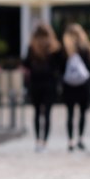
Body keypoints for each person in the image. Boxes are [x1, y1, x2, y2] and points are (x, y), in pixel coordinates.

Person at [22, 23, 64, 152]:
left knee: (36, 113)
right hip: (50, 84)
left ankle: (37, 141)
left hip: (35, 84)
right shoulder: (54, 48)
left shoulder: (32, 47)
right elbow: (61, 66)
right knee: (47, 114)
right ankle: (44, 141)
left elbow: (25, 64)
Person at [61, 23, 90, 152]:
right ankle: (80, 139)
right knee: (82, 113)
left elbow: (60, 69)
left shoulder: (65, 49)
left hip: (68, 85)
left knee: (70, 114)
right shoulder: (85, 48)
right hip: (83, 85)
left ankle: (70, 141)